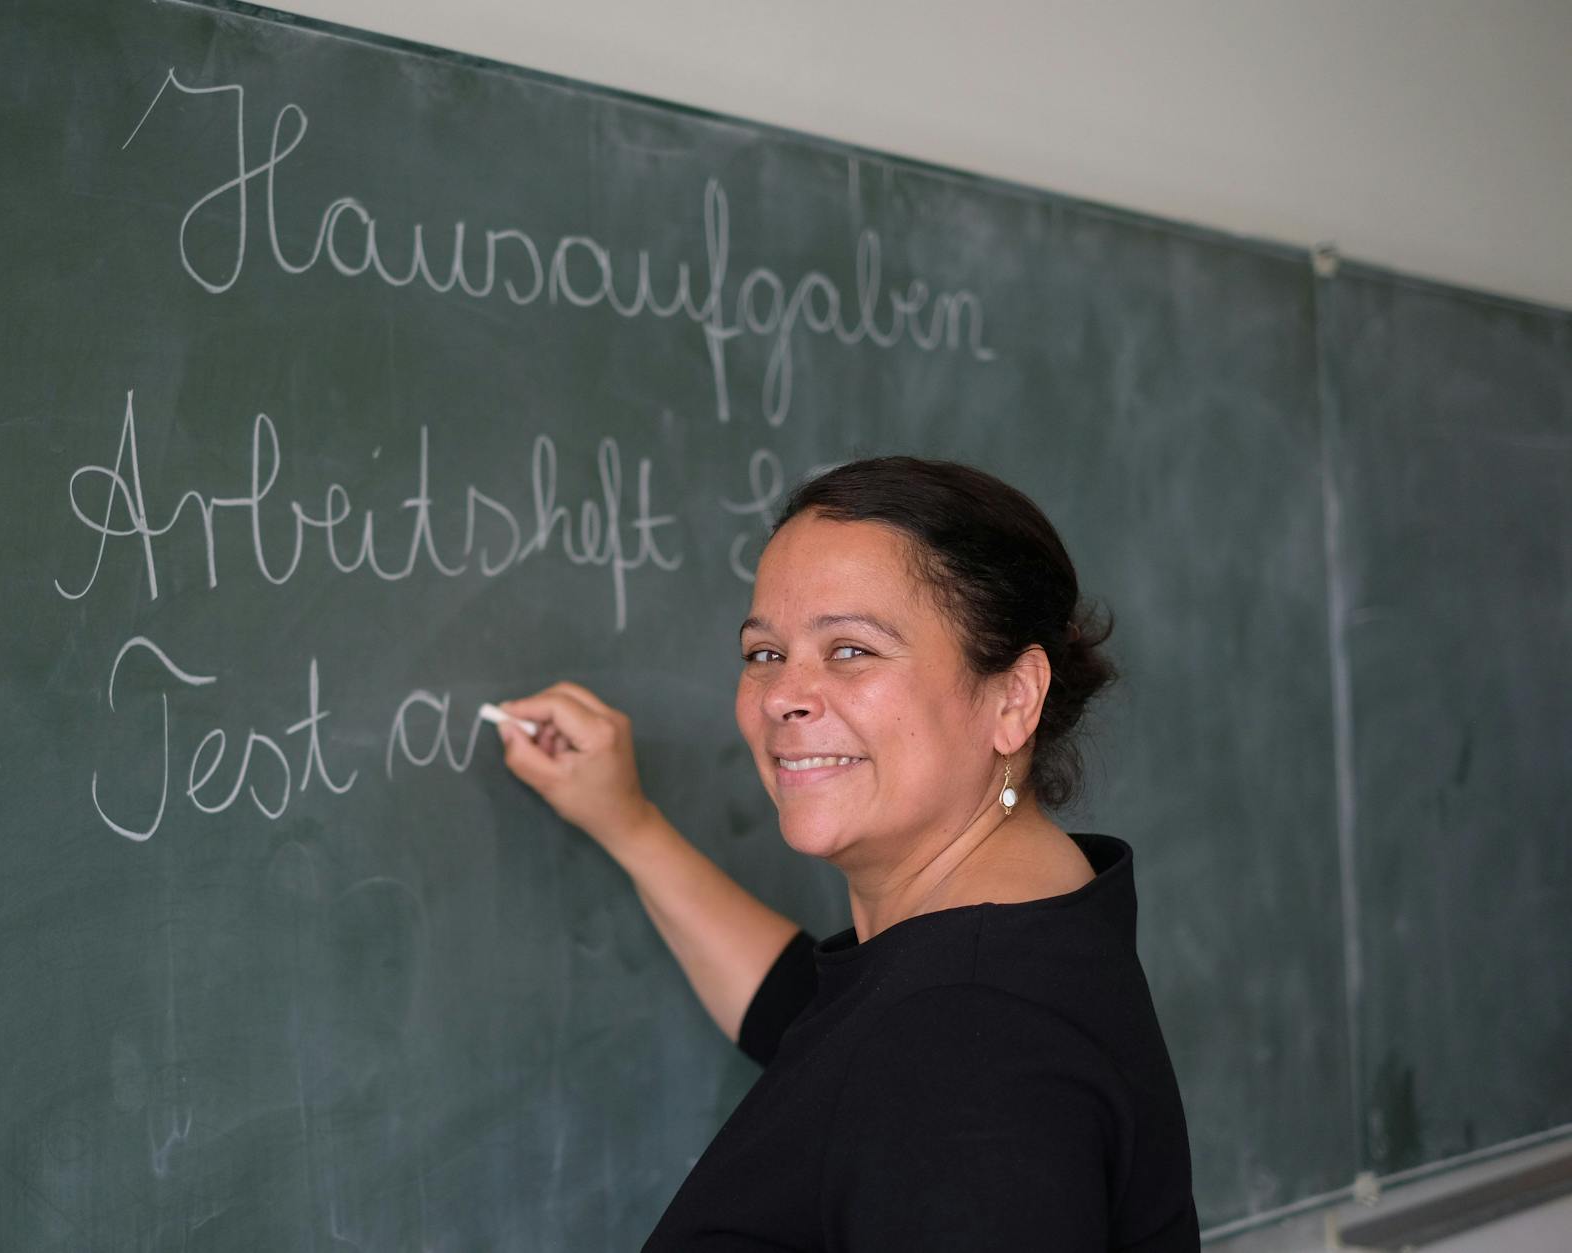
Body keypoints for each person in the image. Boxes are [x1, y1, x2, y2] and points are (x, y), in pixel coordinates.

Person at [497, 457, 1199, 1251]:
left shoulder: (966, 1046)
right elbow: (824, 1028)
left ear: (1013, 698)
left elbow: (922, 1069)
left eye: (852, 650)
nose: (782, 694)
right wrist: (630, 826)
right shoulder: (1022, 931)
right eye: (764, 652)